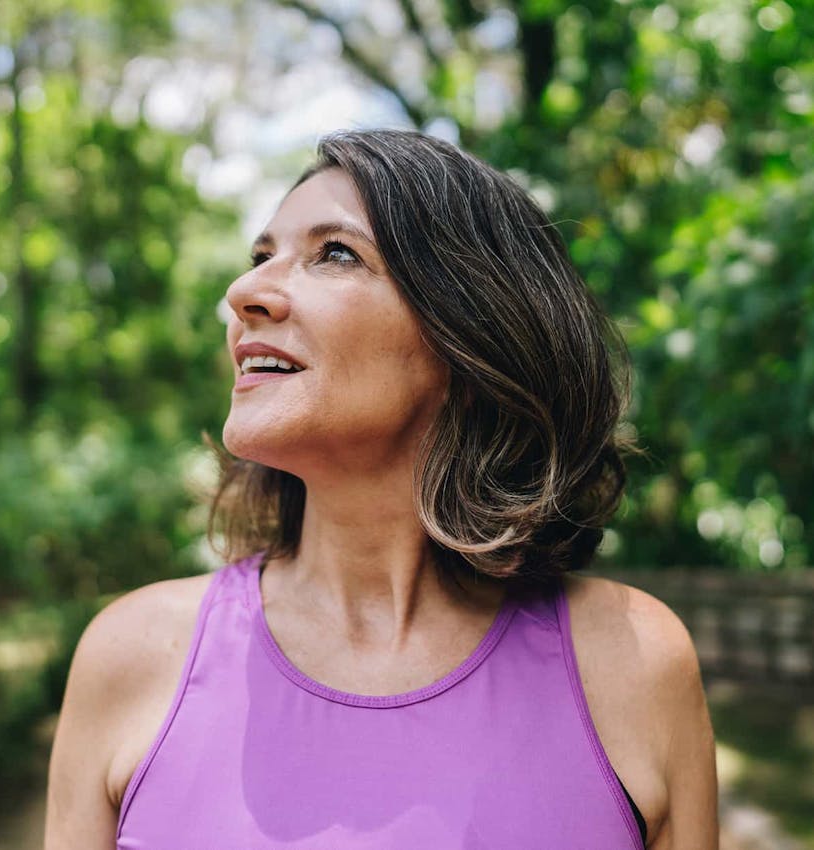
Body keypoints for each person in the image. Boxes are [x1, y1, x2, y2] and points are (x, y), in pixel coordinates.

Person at [44, 129, 718, 849]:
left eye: (335, 253)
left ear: (469, 334)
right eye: (261, 257)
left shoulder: (636, 664)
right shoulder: (132, 656)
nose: (244, 293)